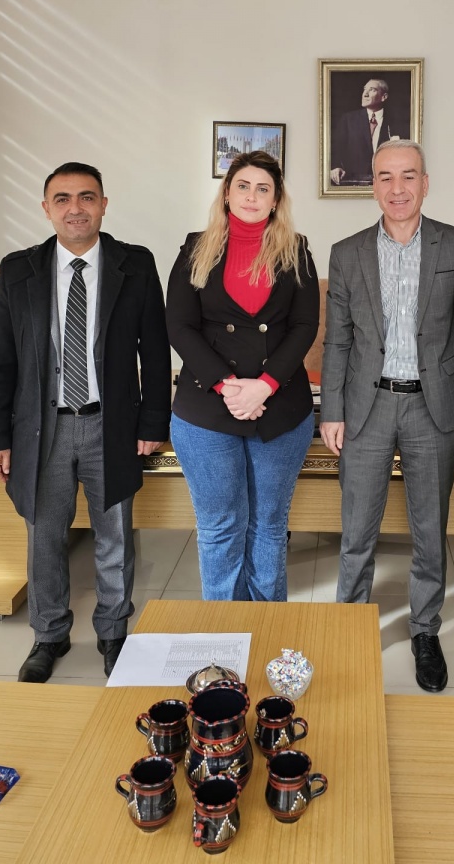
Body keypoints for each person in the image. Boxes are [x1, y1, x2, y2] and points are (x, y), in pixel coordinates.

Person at [0, 163, 171, 682]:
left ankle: (113, 632)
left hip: (112, 425)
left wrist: (153, 421)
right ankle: (49, 634)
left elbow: (155, 351)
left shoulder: (135, 265)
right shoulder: (19, 270)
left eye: (87, 197)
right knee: (44, 537)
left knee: (115, 538)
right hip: (42, 430)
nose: (75, 208)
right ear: (47, 209)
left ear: (104, 204)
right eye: (62, 199)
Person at [320, 141, 454, 691]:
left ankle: (425, 631)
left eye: (408, 176)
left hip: (432, 408)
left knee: (429, 531)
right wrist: (332, 410)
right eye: (386, 177)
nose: (397, 187)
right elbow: (338, 340)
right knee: (356, 531)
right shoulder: (347, 252)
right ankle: (349, 625)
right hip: (366, 407)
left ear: (425, 183)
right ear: (373, 186)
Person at [167, 150, 319, 602]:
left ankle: (267, 624)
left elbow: (304, 326)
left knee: (269, 525)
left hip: (280, 408)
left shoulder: (296, 250)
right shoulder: (195, 248)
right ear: (227, 194)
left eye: (263, 188)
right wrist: (227, 386)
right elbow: (179, 326)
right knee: (220, 527)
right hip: (206, 409)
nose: (252, 196)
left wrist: (265, 386)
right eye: (243, 186)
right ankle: (224, 629)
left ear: (276, 200)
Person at [330, 77, 404, 186]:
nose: (365, 94)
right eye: (364, 89)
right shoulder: (348, 120)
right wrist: (336, 167)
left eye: (372, 90)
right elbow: (336, 149)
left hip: (386, 184)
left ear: (384, 97)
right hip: (353, 183)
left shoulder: (396, 122)